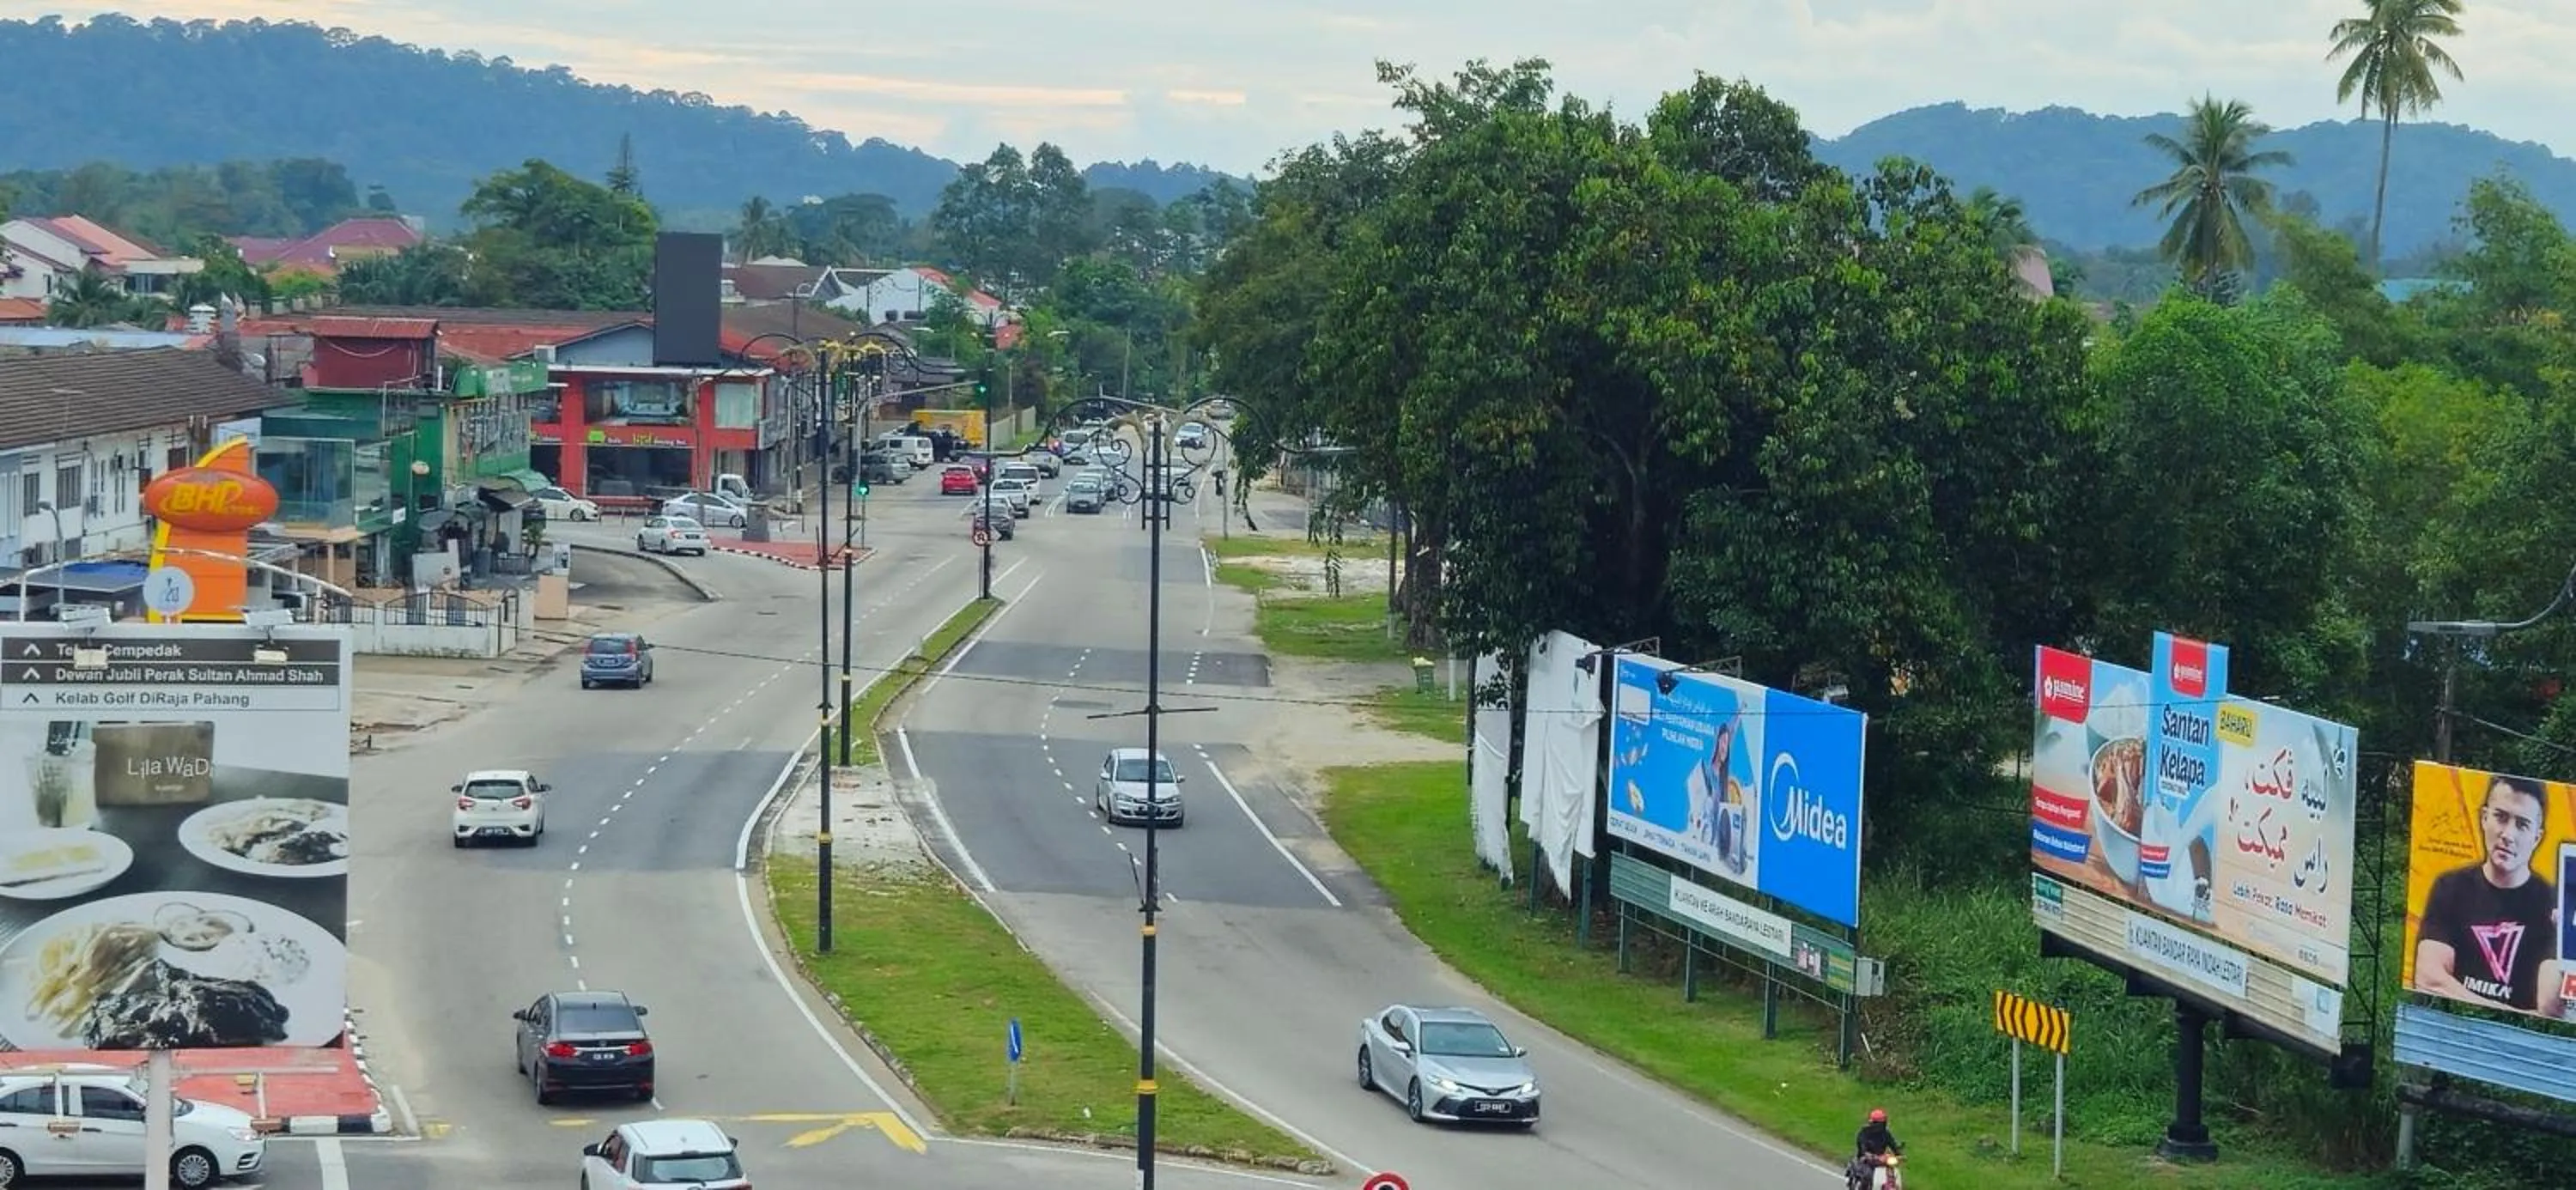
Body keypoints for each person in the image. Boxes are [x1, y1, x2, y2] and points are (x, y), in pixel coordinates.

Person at [2414, 774, 2561, 1011]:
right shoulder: (2451, 887)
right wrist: (2507, 1015)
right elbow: (2429, 979)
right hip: (2453, 1024)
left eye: (2522, 825)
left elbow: (2551, 1009)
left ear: (2537, 837)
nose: (2508, 835)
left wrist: (2566, 948)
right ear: (2483, 818)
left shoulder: (2554, 905)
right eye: (2500, 817)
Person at [1848, 1108, 1901, 1188]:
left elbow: (1892, 1144)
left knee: (1892, 1174)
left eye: (1882, 1123)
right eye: (1878, 1123)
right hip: (1866, 1160)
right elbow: (1862, 1144)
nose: (1880, 1126)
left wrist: (1899, 1154)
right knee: (1867, 1175)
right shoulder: (1865, 1132)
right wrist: (1866, 1153)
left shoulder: (1885, 1133)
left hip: (1881, 1160)